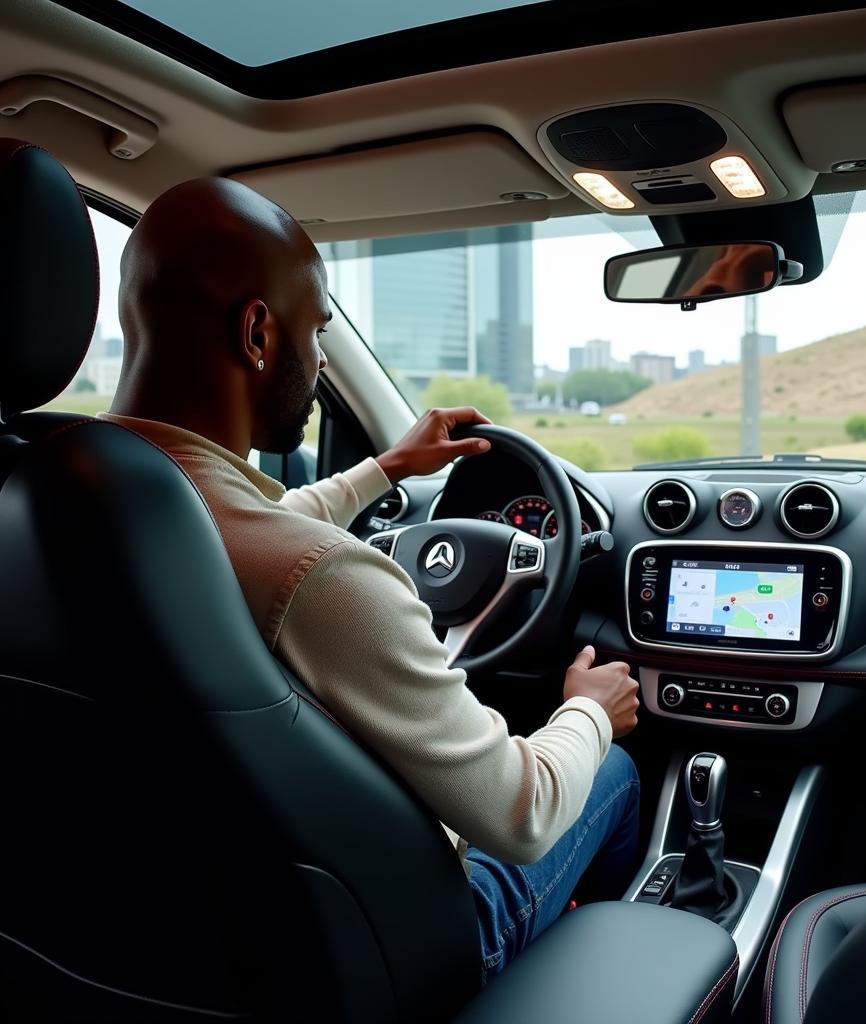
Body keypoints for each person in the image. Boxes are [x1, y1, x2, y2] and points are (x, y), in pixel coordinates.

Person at [102, 177, 641, 980]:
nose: (320, 361)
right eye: (317, 332)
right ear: (258, 334)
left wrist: (385, 469)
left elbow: (242, 521)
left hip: (139, 925)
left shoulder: (60, 497)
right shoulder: (326, 579)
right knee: (612, 773)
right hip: (381, 960)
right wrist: (586, 713)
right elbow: (523, 812)